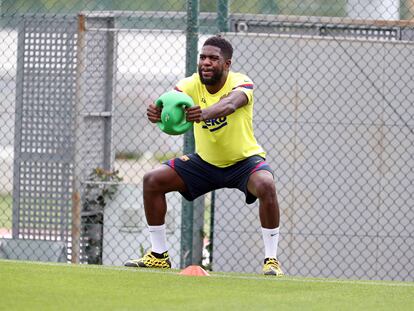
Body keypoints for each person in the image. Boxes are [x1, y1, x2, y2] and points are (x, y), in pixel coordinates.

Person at [125, 35, 283, 276]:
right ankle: (158, 255)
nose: (206, 63)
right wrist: (157, 112)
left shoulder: (242, 82)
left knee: (266, 184)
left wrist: (204, 113)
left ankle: (271, 260)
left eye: (213, 58)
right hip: (205, 163)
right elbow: (170, 104)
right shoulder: (189, 84)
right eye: (203, 57)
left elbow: (230, 105)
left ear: (227, 64)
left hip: (243, 162)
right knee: (152, 180)